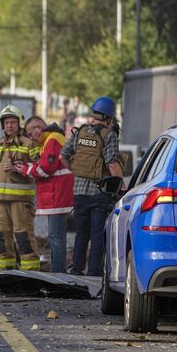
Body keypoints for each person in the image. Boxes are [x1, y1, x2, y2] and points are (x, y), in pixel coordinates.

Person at [61, 96, 124, 276]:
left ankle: (77, 270)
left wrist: (76, 171)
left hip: (79, 193)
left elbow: (63, 156)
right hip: (99, 192)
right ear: (109, 118)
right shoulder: (109, 135)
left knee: (81, 234)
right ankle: (94, 272)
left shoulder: (80, 133)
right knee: (97, 235)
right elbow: (112, 164)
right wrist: (122, 186)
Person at [15, 116, 74, 273]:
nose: (31, 138)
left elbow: (45, 169)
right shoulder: (51, 139)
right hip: (58, 194)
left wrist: (25, 169)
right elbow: (45, 165)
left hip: (57, 196)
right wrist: (28, 166)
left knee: (56, 237)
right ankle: (58, 270)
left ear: (38, 128)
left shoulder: (52, 139)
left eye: (30, 134)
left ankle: (58, 272)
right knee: (56, 236)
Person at [0, 105, 40, 272]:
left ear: (19, 123)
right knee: (0, 237)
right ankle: (4, 273)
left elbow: (39, 169)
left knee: (24, 238)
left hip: (20, 201)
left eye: (13, 122)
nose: (9, 125)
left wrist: (21, 167)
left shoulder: (29, 144)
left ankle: (31, 275)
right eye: (7, 122)